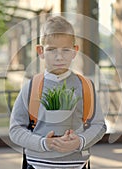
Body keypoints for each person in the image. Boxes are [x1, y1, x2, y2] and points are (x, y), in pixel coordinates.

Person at [9, 16, 106, 169]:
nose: (59, 57)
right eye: (52, 50)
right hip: (37, 164)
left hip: (77, 164)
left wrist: (79, 141)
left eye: (66, 50)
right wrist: (43, 143)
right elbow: (15, 129)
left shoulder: (86, 86)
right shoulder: (31, 86)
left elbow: (98, 125)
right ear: (40, 51)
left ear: (75, 51)